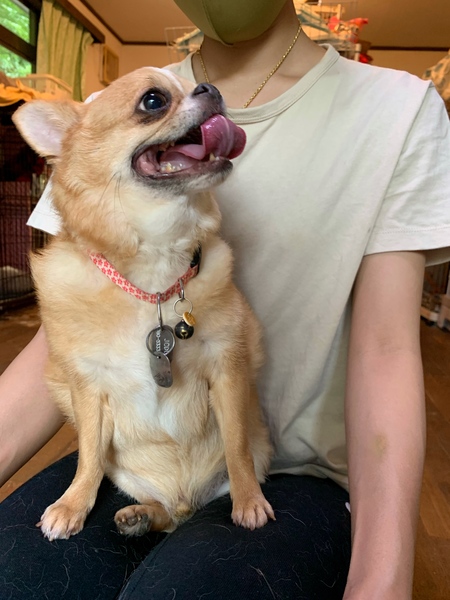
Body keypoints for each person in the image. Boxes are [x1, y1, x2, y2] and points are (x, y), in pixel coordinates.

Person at [1, 0, 449, 598]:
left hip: (293, 470)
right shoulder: (103, 120)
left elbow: (387, 350)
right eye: (155, 104)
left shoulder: (400, 109)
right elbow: (63, 346)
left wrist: (382, 582)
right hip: (131, 458)